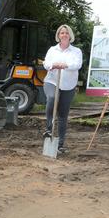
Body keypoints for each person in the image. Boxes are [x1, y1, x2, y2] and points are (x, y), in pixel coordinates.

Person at [42, 24, 83, 154]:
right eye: (61, 33)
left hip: (68, 85)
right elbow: (46, 63)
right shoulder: (52, 50)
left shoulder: (76, 51)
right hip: (52, 81)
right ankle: (48, 129)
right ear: (58, 36)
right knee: (52, 98)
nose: (64, 35)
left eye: (66, 33)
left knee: (63, 115)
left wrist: (66, 65)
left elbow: (77, 64)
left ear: (70, 35)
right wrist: (53, 65)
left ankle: (59, 144)